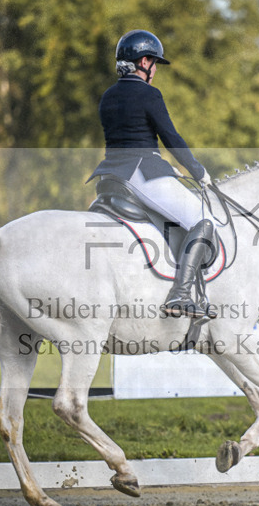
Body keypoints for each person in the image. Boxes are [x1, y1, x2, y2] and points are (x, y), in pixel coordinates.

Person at [89, 30, 216, 319]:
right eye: (155, 62)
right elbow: (171, 137)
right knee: (203, 221)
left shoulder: (107, 96)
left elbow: (127, 139)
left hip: (109, 177)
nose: (156, 69)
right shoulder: (149, 94)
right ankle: (180, 295)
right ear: (144, 61)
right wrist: (198, 172)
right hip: (141, 175)